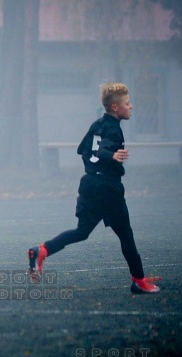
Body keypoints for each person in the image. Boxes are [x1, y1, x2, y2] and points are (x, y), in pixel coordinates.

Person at [27, 82, 161, 294]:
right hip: (108, 188)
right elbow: (104, 150)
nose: (131, 106)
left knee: (82, 232)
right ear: (115, 108)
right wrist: (111, 155)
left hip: (89, 184)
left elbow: (83, 149)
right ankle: (139, 280)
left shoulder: (96, 124)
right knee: (126, 235)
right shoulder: (114, 130)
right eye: (127, 103)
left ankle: (42, 250)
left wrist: (99, 159)